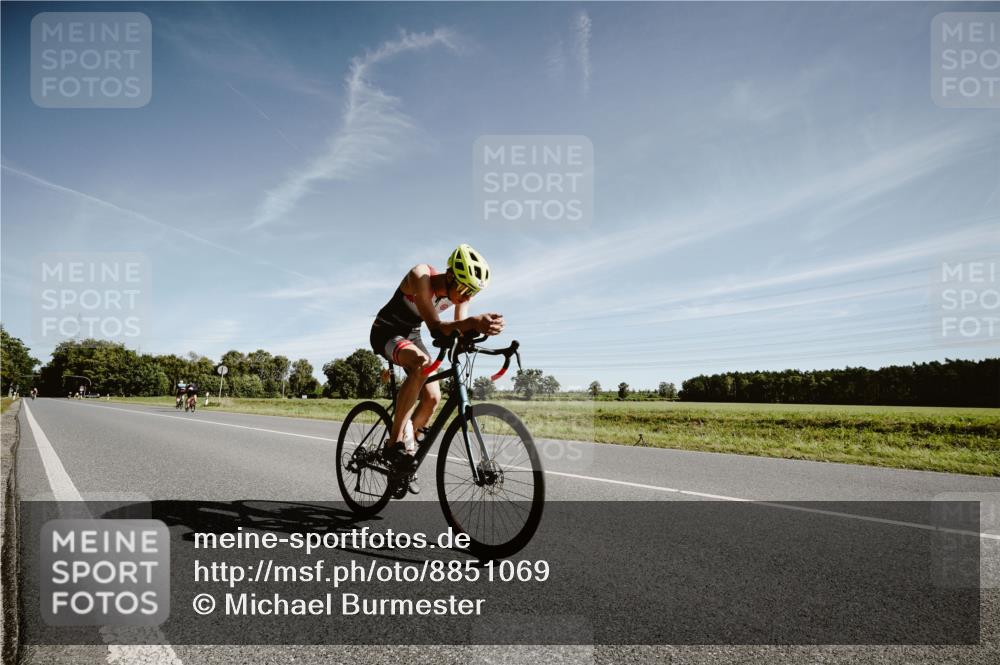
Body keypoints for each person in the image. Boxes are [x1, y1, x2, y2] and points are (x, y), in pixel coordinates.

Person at [369, 244, 504, 494]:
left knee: (433, 396)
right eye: (464, 289)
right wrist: (472, 322)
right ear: (450, 275)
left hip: (412, 334)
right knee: (420, 365)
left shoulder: (460, 295)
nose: (466, 297)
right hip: (386, 331)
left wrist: (480, 330)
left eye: (473, 293)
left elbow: (458, 325)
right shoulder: (420, 276)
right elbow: (436, 327)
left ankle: (407, 455)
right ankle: (393, 444)